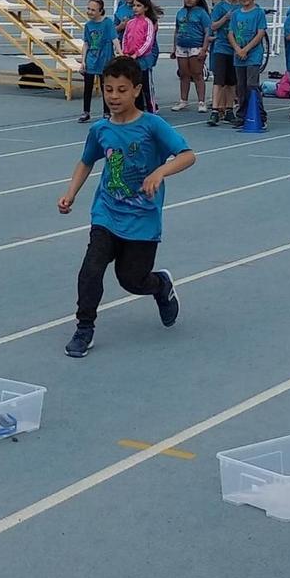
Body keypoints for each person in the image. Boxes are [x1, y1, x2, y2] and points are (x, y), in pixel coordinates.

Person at [57, 56, 195, 358]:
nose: (114, 97)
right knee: (90, 269)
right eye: (108, 90)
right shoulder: (100, 130)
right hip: (106, 212)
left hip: (142, 219)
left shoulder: (152, 125)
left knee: (132, 280)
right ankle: (84, 328)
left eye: (121, 90)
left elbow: (187, 156)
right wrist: (71, 194)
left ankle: (160, 285)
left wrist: (160, 171)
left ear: (136, 89)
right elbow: (87, 161)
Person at [227, 0, 271, 123]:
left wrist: (246, 49)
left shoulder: (258, 13)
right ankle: (242, 114)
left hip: (253, 55)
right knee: (241, 87)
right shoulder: (236, 14)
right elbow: (231, 33)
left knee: (251, 85)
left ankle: (260, 114)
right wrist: (238, 49)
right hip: (239, 55)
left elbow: (260, 33)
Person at [172, 0, 213, 112]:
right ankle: (183, 100)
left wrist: (204, 48)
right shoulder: (180, 12)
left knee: (197, 74)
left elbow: (208, 31)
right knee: (184, 74)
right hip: (181, 46)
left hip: (196, 46)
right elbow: (177, 30)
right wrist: (174, 48)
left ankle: (201, 101)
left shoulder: (202, 13)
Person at [119, 0, 162, 112]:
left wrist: (137, 53)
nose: (135, 8)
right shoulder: (130, 23)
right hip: (131, 59)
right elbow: (125, 38)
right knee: (134, 87)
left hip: (143, 60)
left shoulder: (148, 22)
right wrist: (125, 52)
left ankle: (152, 109)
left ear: (146, 8)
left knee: (146, 87)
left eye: (139, 6)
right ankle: (137, 111)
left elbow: (148, 41)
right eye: (134, 5)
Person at [206, 0, 238, 127]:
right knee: (219, 80)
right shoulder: (220, 7)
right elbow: (212, 26)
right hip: (221, 47)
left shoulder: (242, 7)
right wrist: (226, 18)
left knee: (231, 82)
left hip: (236, 49)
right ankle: (215, 110)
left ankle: (229, 109)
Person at [80, 0, 115, 124]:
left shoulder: (107, 23)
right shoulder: (88, 25)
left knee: (104, 86)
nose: (89, 12)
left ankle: (106, 112)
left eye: (93, 10)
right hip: (91, 59)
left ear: (100, 11)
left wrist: (120, 53)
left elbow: (114, 39)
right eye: (88, 9)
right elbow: (86, 43)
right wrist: (83, 60)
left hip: (104, 59)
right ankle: (86, 112)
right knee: (87, 86)